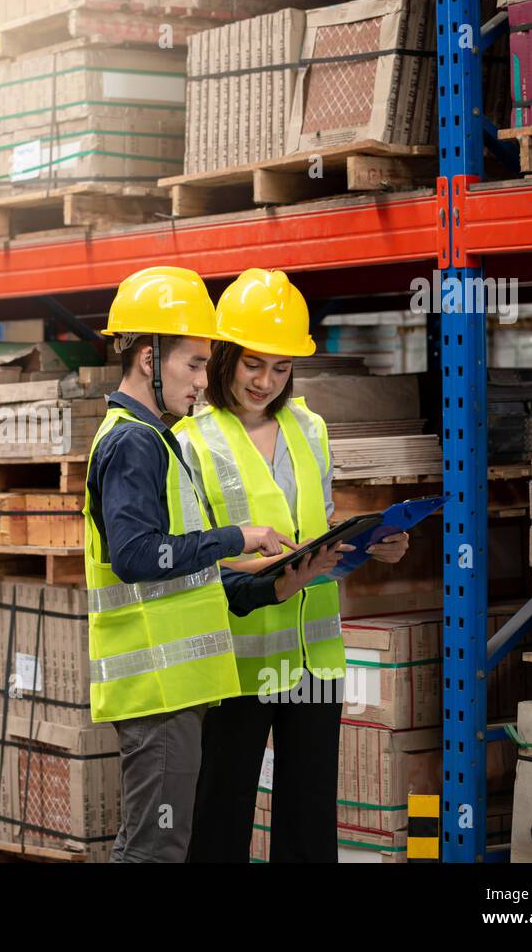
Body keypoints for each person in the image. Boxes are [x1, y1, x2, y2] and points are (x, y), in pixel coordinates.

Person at [84, 266, 342, 863]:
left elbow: (189, 572)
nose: (203, 378)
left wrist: (279, 584)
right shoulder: (146, 441)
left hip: (228, 666)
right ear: (151, 357)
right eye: (198, 363)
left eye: (282, 367)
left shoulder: (161, 437)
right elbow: (137, 556)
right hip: (174, 679)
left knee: (159, 844)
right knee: (167, 844)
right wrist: (235, 538)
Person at [175, 268, 410, 863]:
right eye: (254, 363)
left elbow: (321, 529)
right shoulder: (191, 440)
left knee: (309, 825)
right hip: (237, 660)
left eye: (281, 368)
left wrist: (371, 549)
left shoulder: (309, 428)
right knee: (221, 816)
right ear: (224, 354)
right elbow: (191, 559)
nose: (266, 381)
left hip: (315, 659)